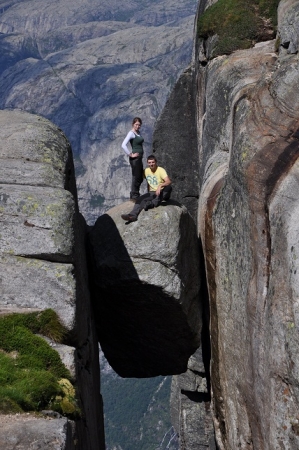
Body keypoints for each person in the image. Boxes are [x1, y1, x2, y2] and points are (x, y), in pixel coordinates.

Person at [121, 154, 172, 222]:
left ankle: (152, 204)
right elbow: (140, 178)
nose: (151, 164)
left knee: (168, 187)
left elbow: (168, 181)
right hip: (152, 192)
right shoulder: (146, 171)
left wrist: (160, 186)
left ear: (156, 162)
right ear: (147, 163)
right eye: (149, 162)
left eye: (153, 162)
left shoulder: (160, 170)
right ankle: (132, 216)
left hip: (163, 192)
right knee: (140, 200)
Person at [121, 117, 144, 201]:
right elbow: (123, 145)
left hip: (140, 158)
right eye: (136, 124)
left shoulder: (138, 133)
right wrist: (130, 154)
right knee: (136, 176)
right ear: (133, 124)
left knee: (140, 176)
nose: (138, 126)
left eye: (139, 125)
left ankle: (135, 193)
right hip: (135, 159)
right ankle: (134, 195)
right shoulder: (131, 133)